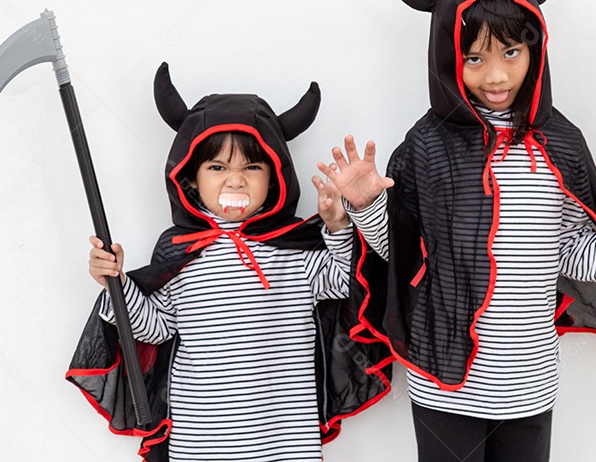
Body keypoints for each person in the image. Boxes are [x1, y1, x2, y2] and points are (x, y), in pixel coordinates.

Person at [316, 0, 596, 462]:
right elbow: (400, 253)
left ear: (534, 48)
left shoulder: (559, 141)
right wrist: (366, 206)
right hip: (444, 379)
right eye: (474, 57)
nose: (495, 75)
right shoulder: (428, 144)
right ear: (449, 56)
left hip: (530, 382)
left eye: (511, 53)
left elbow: (574, 251)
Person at [67, 63, 390, 462]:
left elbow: (348, 282)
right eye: (217, 167)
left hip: (286, 444)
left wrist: (338, 227)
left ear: (274, 177)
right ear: (191, 177)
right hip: (199, 443)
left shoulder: (293, 253)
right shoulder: (180, 251)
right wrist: (116, 283)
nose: (235, 181)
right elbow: (156, 327)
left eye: (251, 167)